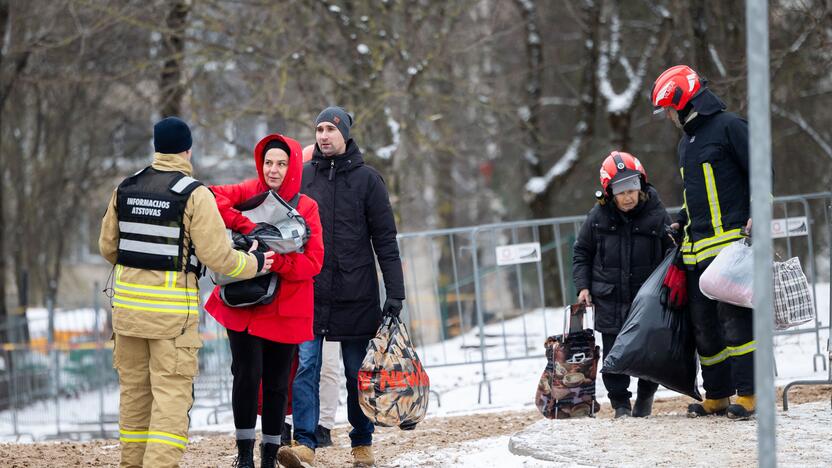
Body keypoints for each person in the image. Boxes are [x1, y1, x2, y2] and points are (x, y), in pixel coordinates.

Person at [99, 117, 273, 468]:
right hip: (171, 319)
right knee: (170, 400)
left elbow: (108, 247)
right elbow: (218, 258)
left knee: (134, 398)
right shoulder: (193, 194)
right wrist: (255, 263)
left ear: (156, 147)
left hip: (127, 316)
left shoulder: (126, 188)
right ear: (188, 150)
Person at [279, 106, 406, 468]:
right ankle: (304, 442)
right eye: (318, 128)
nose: (323, 135)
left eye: (330, 129)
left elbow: (386, 239)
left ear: (345, 134)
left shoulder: (369, 180)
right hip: (310, 291)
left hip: (357, 292)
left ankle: (361, 441)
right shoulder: (301, 178)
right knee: (306, 367)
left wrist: (395, 293)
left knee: (355, 373)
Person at [203, 133, 324, 467]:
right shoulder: (249, 190)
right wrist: (246, 225)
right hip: (243, 302)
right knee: (246, 373)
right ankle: (244, 456)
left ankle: (269, 456)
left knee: (275, 383)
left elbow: (313, 262)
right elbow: (210, 196)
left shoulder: (307, 207)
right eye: (269, 162)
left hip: (286, 307)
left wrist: (276, 258)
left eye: (282, 163)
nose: (273, 169)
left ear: (293, 167)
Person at [651, 65, 755, 419]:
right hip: (696, 251)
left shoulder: (729, 127)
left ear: (682, 101)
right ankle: (718, 395)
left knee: (735, 323)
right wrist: (681, 219)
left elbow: (761, 168)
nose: (667, 116)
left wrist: (760, 210)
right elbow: (696, 195)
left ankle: (750, 394)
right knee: (705, 328)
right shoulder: (687, 144)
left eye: (668, 108)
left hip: (730, 248)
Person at [573, 151, 673, 418]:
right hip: (610, 297)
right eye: (620, 190)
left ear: (641, 185)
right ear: (608, 192)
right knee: (614, 354)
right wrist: (583, 286)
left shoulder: (656, 214)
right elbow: (582, 252)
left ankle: (646, 395)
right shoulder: (597, 218)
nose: (628, 196)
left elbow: (670, 252)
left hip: (647, 299)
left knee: (649, 351)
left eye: (632, 187)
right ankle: (620, 404)